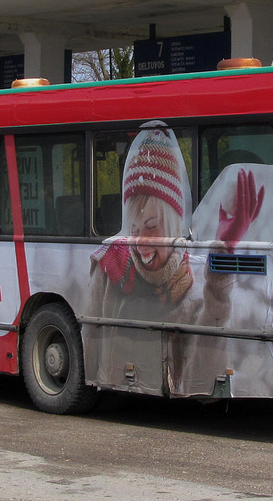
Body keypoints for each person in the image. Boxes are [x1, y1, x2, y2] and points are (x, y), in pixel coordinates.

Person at [86, 121, 264, 396]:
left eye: (151, 226)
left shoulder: (194, 292)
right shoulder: (109, 268)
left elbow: (202, 379)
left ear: (173, 222)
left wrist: (224, 254)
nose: (140, 244)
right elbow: (90, 358)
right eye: (133, 229)